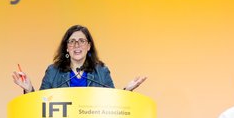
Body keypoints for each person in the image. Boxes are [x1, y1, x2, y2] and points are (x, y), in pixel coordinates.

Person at [11, 24, 146, 92]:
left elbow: (111, 103)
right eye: (72, 41)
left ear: (88, 46)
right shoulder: (53, 71)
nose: (77, 45)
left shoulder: (101, 71)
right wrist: (29, 89)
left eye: (81, 41)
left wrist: (126, 91)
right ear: (66, 47)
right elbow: (41, 106)